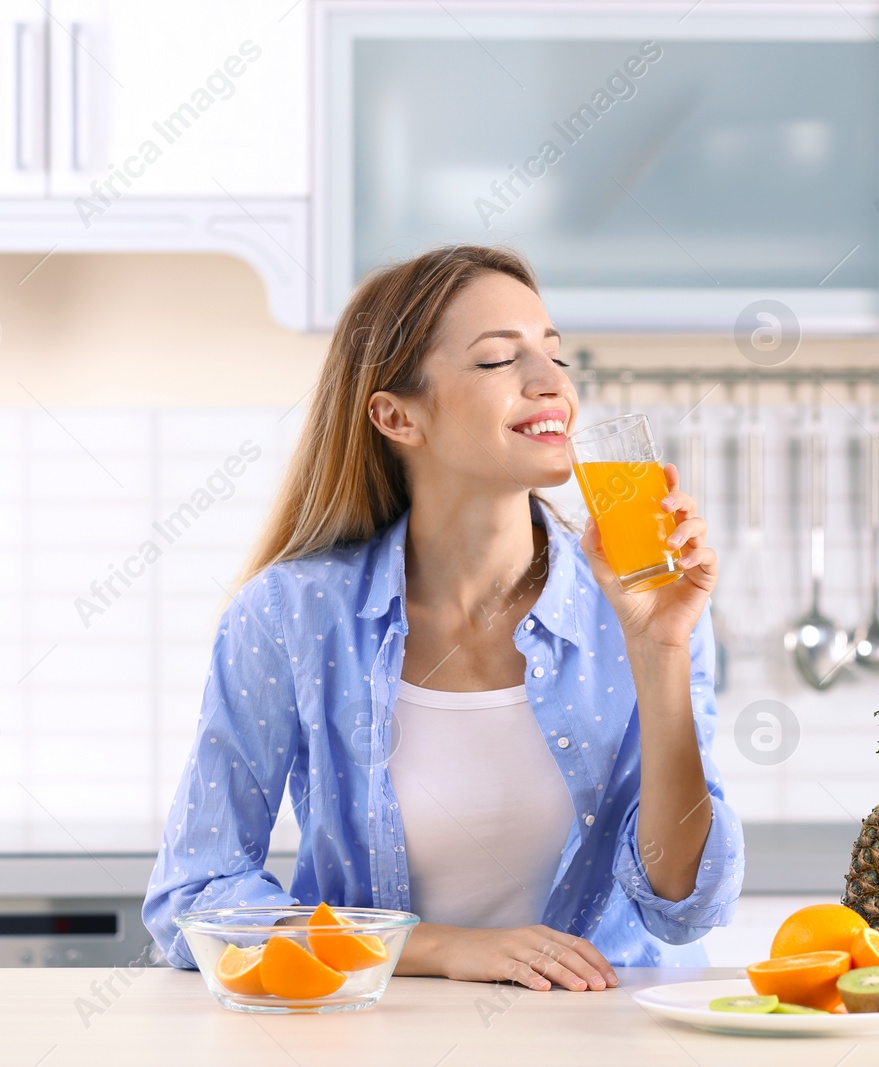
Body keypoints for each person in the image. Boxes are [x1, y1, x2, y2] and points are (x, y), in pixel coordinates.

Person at [142, 245, 743, 991]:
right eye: (498, 361)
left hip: (611, 1039)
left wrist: (662, 652)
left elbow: (684, 903)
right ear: (397, 415)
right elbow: (194, 900)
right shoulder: (290, 616)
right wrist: (439, 947)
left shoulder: (642, 602)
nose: (551, 383)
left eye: (554, 355)